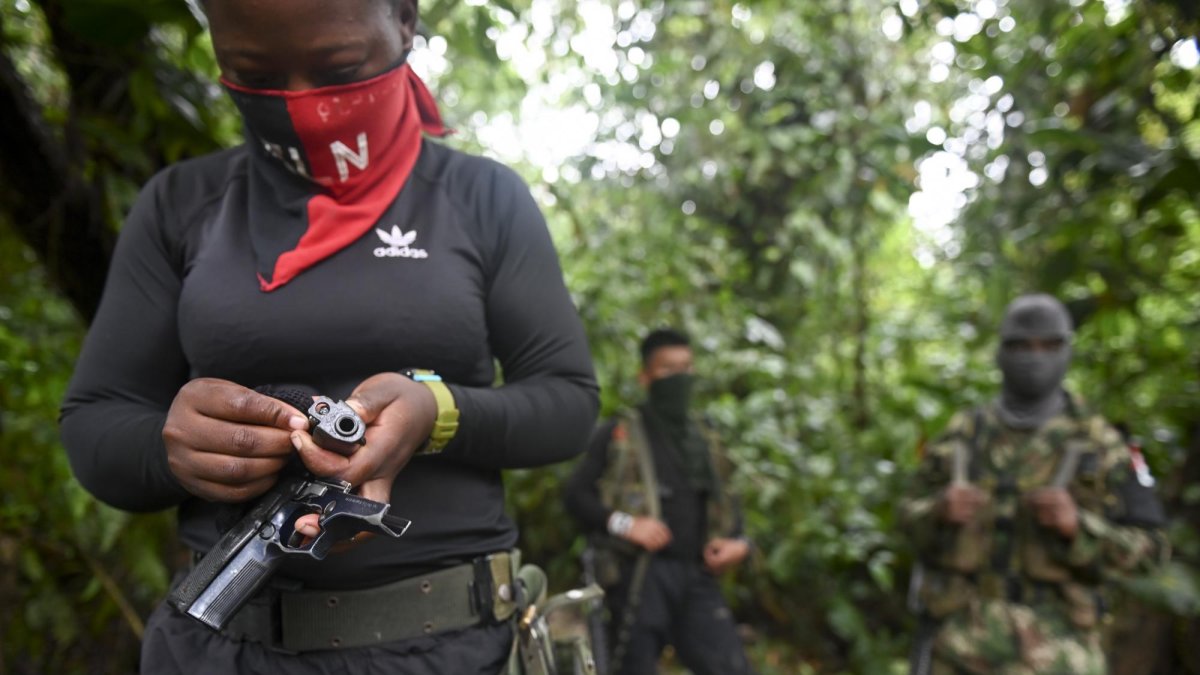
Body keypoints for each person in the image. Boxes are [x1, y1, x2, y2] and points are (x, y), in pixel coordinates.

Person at [58, 0, 599, 672]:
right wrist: (178, 450)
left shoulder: (480, 198)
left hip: (455, 647)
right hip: (228, 646)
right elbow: (94, 422)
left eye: (338, 68)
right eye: (254, 72)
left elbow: (568, 401)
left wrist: (436, 410)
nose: (298, 101)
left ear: (405, 21)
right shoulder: (180, 206)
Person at [901, 294, 1168, 675]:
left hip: (1060, 649)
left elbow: (1153, 552)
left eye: (1049, 345)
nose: (1034, 357)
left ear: (1066, 351)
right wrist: (939, 510)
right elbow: (907, 521)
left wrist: (1079, 528)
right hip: (958, 642)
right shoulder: (963, 435)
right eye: (1020, 345)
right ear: (1000, 352)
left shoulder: (1101, 445)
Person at [564, 328, 754, 675]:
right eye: (668, 370)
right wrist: (627, 524)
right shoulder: (620, 433)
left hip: (696, 573)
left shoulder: (704, 436)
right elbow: (576, 495)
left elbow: (727, 503)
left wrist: (738, 544)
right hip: (639, 576)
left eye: (686, 367)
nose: (679, 378)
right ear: (645, 377)